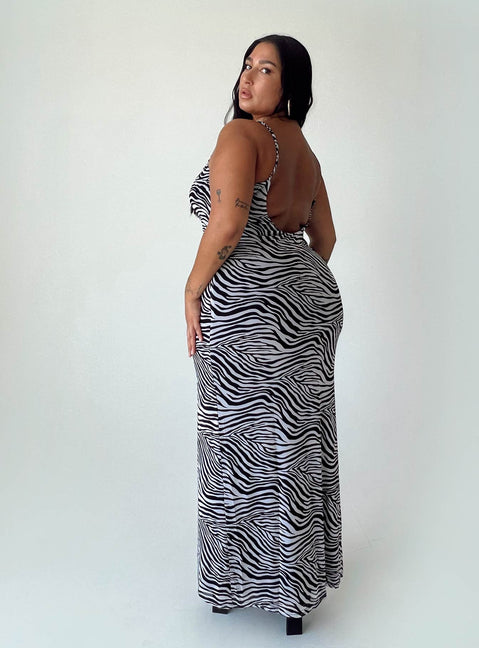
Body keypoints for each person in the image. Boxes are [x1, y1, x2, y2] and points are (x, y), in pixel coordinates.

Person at [185, 34, 343, 636]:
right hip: (310, 304)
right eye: (246, 66)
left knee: (235, 448)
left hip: (245, 310)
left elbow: (227, 224)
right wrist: (294, 288)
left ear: (290, 85)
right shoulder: (305, 151)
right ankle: (295, 596)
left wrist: (193, 290)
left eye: (266, 69)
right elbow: (324, 238)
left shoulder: (241, 135)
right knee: (294, 443)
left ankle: (232, 585)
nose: (247, 78)